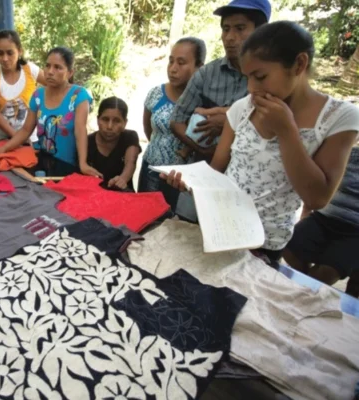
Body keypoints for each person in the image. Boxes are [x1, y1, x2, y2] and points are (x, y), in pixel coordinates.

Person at [164, 21, 359, 263]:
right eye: (248, 78)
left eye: (261, 77)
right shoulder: (242, 109)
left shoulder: (338, 118)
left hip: (266, 243)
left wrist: (287, 131)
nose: (252, 88)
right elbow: (217, 170)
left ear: (299, 64)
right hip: (220, 229)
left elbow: (317, 198)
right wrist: (192, 182)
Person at [170, 0, 271, 159]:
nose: (230, 37)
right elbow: (177, 121)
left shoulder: (275, 77)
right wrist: (203, 150)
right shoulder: (205, 74)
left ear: (261, 32)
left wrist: (231, 122)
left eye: (240, 28)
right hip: (207, 171)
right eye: (226, 29)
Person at [0, 47, 99, 176]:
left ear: (70, 73)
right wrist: (3, 149)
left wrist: (83, 164)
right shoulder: (38, 96)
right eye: (47, 66)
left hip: (68, 166)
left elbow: (80, 131)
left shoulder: (78, 95)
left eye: (58, 67)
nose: (50, 71)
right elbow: (25, 130)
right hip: (42, 162)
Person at [138, 37, 206, 206]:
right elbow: (148, 129)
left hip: (182, 180)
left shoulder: (204, 102)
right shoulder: (156, 94)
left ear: (199, 67)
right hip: (150, 170)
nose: (173, 69)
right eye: (171, 61)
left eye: (181, 63)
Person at [284, 146, 359, 297]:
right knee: (287, 244)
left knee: (327, 272)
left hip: (355, 230)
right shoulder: (348, 150)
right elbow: (321, 181)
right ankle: (306, 286)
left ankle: (305, 290)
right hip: (324, 216)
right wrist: (306, 211)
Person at [0, 30, 45, 142]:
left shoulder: (30, 70)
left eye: (10, 53)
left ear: (19, 51)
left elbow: (54, 84)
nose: (5, 58)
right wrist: (18, 138)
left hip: (30, 140)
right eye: (0, 53)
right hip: (2, 140)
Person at [87, 96, 140, 190]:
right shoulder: (87, 142)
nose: (109, 126)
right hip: (92, 197)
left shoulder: (130, 137)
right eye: (105, 119)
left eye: (117, 121)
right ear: (97, 120)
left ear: (125, 123)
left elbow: (131, 162)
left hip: (122, 196)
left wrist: (122, 179)